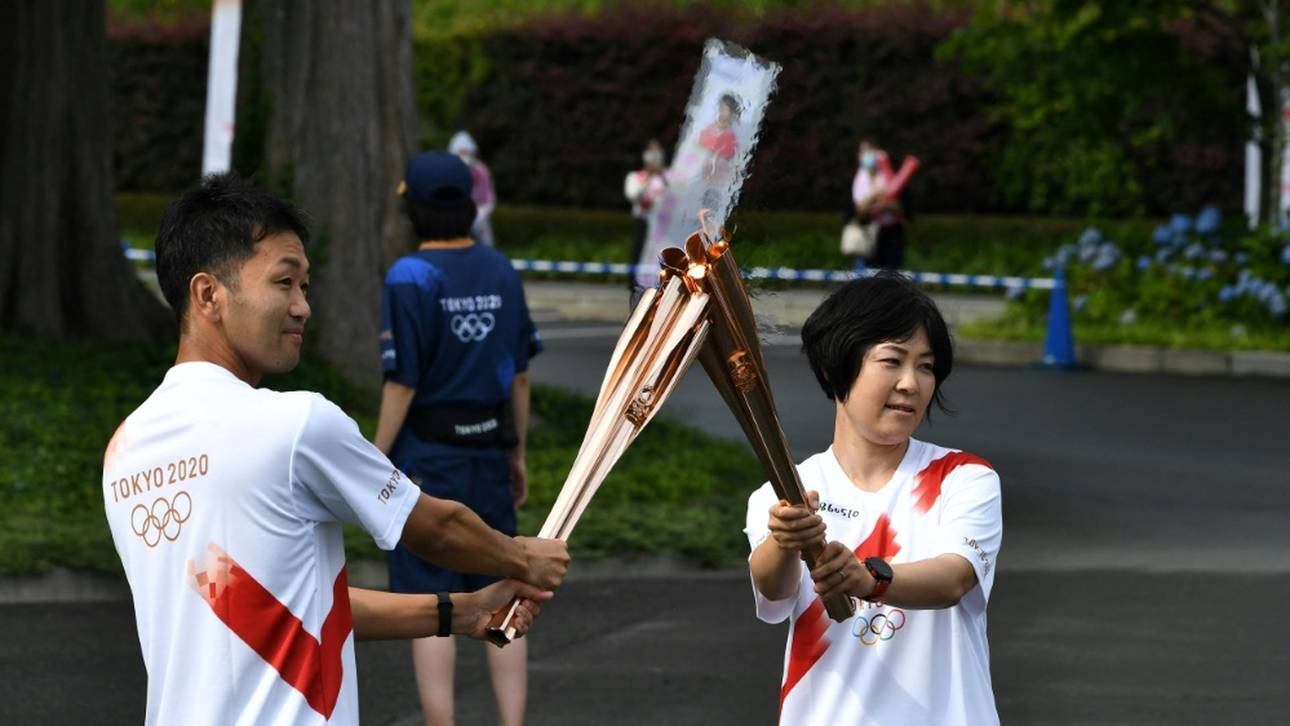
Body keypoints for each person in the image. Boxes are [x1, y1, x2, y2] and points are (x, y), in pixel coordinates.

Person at [102, 173, 569, 726]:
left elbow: (286, 605)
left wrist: (459, 611)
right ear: (209, 295)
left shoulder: (126, 450)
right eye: (284, 282)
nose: (302, 306)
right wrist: (521, 557)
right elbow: (435, 529)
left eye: (305, 286)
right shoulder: (294, 423)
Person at [744, 272, 1002, 724]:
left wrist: (869, 581)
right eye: (892, 360)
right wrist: (784, 541)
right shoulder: (784, 491)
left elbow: (953, 580)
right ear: (834, 368)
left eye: (925, 366)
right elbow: (774, 590)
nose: (911, 383)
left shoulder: (962, 477)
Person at [375, 151, 543, 726]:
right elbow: (519, 373)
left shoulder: (409, 276)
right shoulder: (500, 270)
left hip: (427, 456)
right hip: (489, 451)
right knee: (505, 586)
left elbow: (403, 380)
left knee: (431, 598)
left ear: (414, 209)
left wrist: (374, 460)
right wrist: (515, 450)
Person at [850, 139, 909, 272]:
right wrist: (873, 195)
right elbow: (859, 211)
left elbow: (902, 207)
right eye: (862, 151)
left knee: (891, 274)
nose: (866, 155)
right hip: (870, 233)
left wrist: (885, 206)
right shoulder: (861, 178)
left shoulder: (889, 174)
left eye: (869, 150)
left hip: (892, 233)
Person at [623, 139, 668, 299]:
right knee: (638, 255)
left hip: (662, 225)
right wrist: (648, 178)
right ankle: (635, 289)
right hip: (643, 223)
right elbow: (633, 195)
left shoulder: (665, 178)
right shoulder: (636, 177)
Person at [449, 130, 497, 247]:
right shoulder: (449, 172)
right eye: (460, 152)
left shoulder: (481, 171)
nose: (464, 155)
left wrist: (481, 213)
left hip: (478, 219)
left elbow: (489, 199)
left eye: (466, 152)